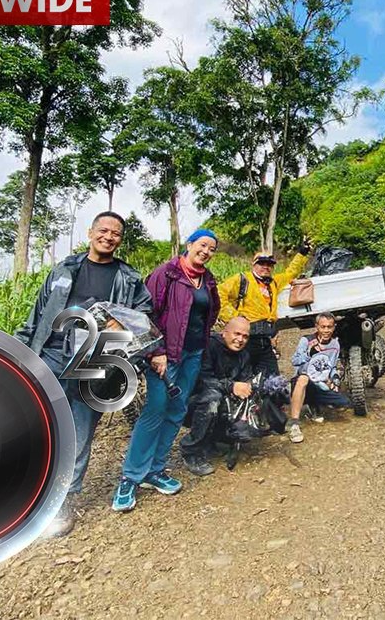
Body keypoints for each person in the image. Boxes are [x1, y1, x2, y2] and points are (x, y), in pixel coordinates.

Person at [15, 211, 152, 536]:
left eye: (116, 233)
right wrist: (19, 351)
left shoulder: (128, 277)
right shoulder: (64, 269)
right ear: (91, 232)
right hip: (49, 356)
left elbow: (145, 313)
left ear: (120, 239)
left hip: (94, 363)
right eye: (103, 230)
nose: (109, 236)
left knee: (77, 433)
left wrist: (124, 321)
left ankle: (63, 500)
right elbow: (38, 313)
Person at [110, 229, 221, 512]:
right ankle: (130, 477)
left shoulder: (207, 280)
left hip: (193, 354)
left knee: (177, 410)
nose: (206, 251)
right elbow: (145, 315)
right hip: (165, 355)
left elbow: (212, 311)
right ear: (190, 244)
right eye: (202, 245)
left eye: (211, 249)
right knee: (155, 411)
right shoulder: (166, 274)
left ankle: (155, 470)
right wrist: (155, 352)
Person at [217, 243, 310, 377]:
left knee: (273, 382)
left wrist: (302, 253)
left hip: (266, 341)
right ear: (254, 264)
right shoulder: (242, 279)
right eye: (262, 263)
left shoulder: (273, 283)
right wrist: (235, 319)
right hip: (246, 339)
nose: (266, 267)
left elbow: (291, 273)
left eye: (269, 264)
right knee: (243, 378)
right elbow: (219, 294)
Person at [179, 317, 256, 476]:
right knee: (212, 399)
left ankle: (213, 440)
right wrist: (231, 386)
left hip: (224, 401)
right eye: (237, 334)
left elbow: (246, 378)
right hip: (192, 404)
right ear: (225, 332)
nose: (240, 340)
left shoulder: (244, 354)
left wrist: (249, 388)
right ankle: (191, 451)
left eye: (245, 336)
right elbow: (203, 380)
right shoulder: (209, 346)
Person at [286, 312, 353, 442]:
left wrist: (335, 378)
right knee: (304, 378)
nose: (326, 330)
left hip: (320, 383)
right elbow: (294, 361)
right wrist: (309, 353)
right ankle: (294, 423)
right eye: (323, 327)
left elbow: (332, 367)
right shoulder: (306, 340)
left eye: (329, 327)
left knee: (344, 403)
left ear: (334, 327)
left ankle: (314, 404)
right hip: (303, 381)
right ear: (317, 326)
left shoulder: (335, 344)